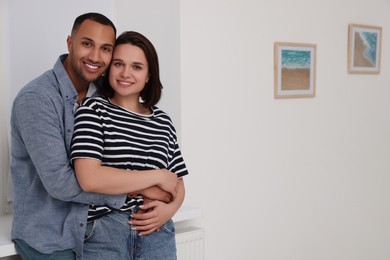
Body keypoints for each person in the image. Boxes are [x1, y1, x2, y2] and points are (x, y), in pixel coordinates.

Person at [10, 13, 177, 260]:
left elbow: (159, 171)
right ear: (70, 43)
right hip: (50, 234)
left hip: (98, 227)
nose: (95, 57)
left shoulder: (105, 96)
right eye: (87, 44)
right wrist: (144, 188)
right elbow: (61, 182)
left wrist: (170, 206)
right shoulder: (36, 99)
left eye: (106, 49)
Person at [70, 31, 188, 259]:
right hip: (105, 233)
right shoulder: (93, 111)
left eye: (136, 67)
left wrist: (169, 210)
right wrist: (157, 176)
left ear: (148, 75)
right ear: (109, 68)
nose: (126, 73)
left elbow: (177, 183)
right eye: (118, 64)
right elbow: (89, 178)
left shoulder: (162, 120)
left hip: (157, 233)